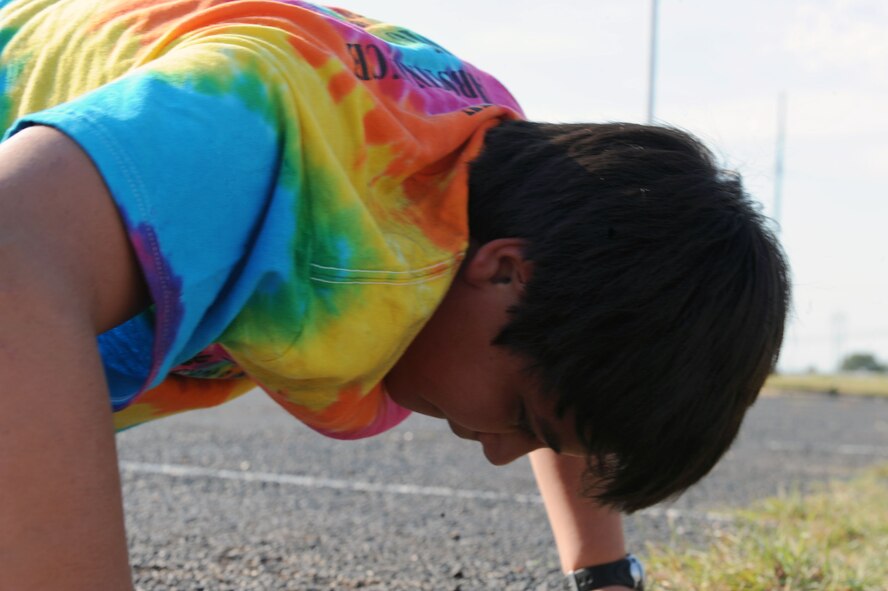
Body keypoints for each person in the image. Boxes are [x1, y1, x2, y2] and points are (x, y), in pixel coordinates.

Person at [0, 0, 789, 589]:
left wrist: (604, 574)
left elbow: (569, 358)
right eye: (521, 416)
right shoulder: (270, 132)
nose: (501, 452)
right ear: (504, 271)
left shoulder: (491, 173)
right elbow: (13, 256)